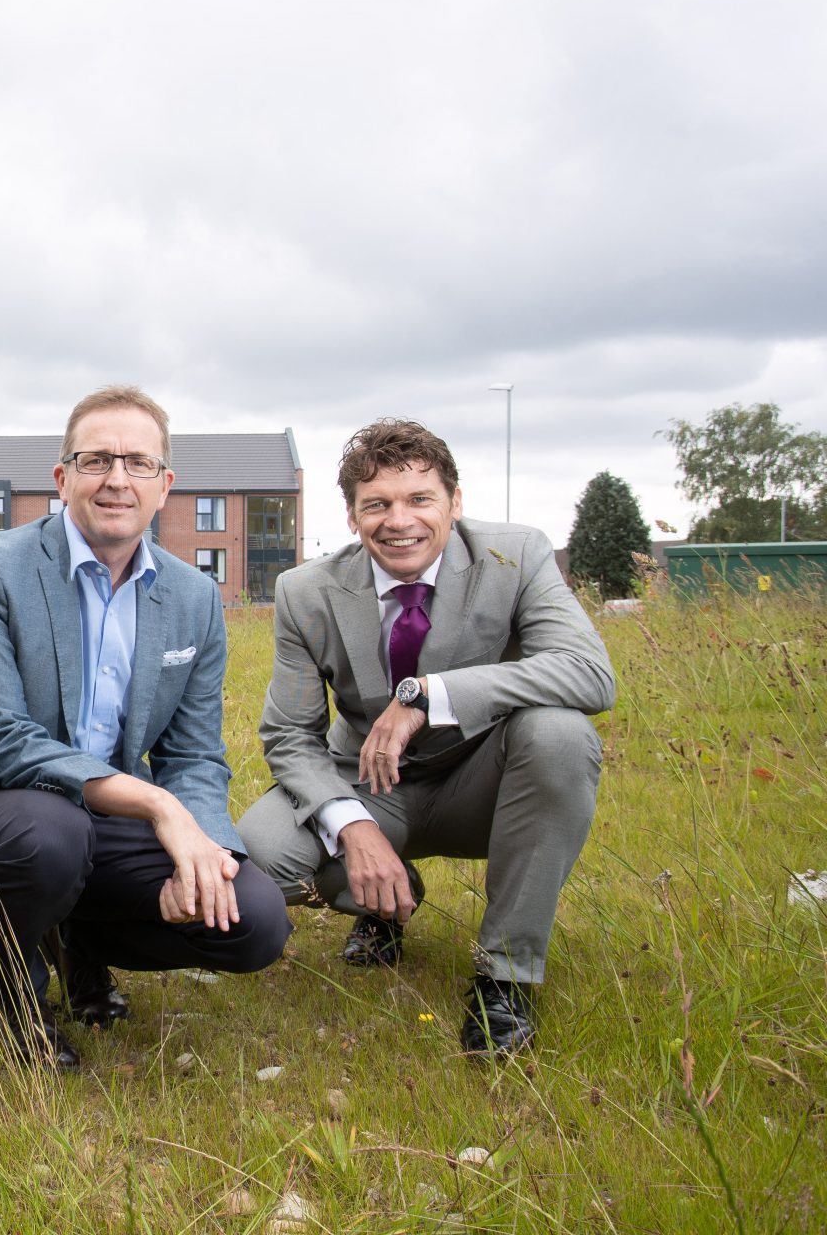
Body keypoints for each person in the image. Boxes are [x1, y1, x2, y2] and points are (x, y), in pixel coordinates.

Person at [0, 386, 291, 1070]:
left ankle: (76, 940)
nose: (117, 479)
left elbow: (194, 755)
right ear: (62, 479)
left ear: (165, 485)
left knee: (253, 920)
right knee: (50, 835)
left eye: (139, 463)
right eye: (97, 460)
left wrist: (203, 852)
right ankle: (12, 1008)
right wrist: (157, 805)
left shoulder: (195, 598)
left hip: (100, 821)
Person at [237, 419, 615, 1056]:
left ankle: (506, 977)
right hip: (370, 784)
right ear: (352, 516)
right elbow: (289, 735)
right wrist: (353, 828)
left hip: (484, 779)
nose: (399, 521)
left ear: (454, 501)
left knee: (559, 733)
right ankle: (388, 901)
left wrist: (428, 696)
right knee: (260, 858)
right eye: (376, 504)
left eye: (419, 499)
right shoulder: (305, 592)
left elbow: (589, 674)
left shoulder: (517, 556)